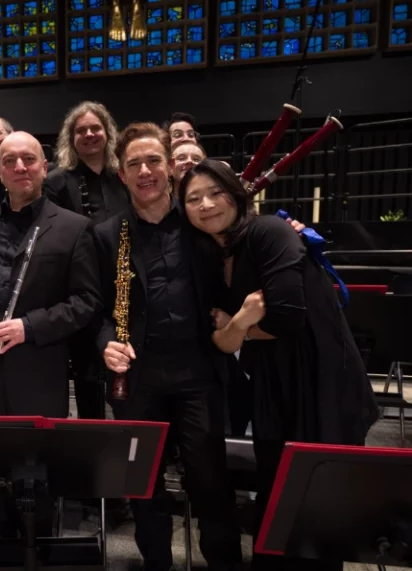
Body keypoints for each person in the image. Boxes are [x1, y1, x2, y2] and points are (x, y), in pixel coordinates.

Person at [180, 159, 380, 571]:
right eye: (193, 198)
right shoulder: (213, 256)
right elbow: (219, 340)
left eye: (215, 193)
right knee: (277, 498)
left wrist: (236, 327)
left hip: (318, 380)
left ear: (237, 195)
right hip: (272, 381)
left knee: (314, 505)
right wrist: (243, 320)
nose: (206, 205)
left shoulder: (269, 231)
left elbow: (287, 318)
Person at [95, 122, 243, 571]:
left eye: (153, 161)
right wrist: (105, 342)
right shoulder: (106, 235)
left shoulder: (202, 223)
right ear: (122, 174)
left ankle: (224, 564)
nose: (145, 171)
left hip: (199, 372)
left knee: (210, 480)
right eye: (134, 164)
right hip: (138, 378)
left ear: (171, 167)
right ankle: (156, 562)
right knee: (143, 482)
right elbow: (94, 308)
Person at [0, 131, 102, 538]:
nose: (20, 167)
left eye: (29, 159)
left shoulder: (74, 227)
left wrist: (29, 326)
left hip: (36, 368)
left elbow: (86, 301)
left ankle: (37, 551)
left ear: (44, 167)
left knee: (35, 478)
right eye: (9, 160)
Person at [44, 101, 130, 420]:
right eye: (81, 130)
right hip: (80, 289)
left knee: (127, 368)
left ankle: (130, 437)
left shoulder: (124, 176)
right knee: (87, 373)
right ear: (71, 138)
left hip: (125, 285)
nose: (90, 134)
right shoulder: (56, 182)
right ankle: (92, 436)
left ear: (108, 133)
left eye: (96, 128)